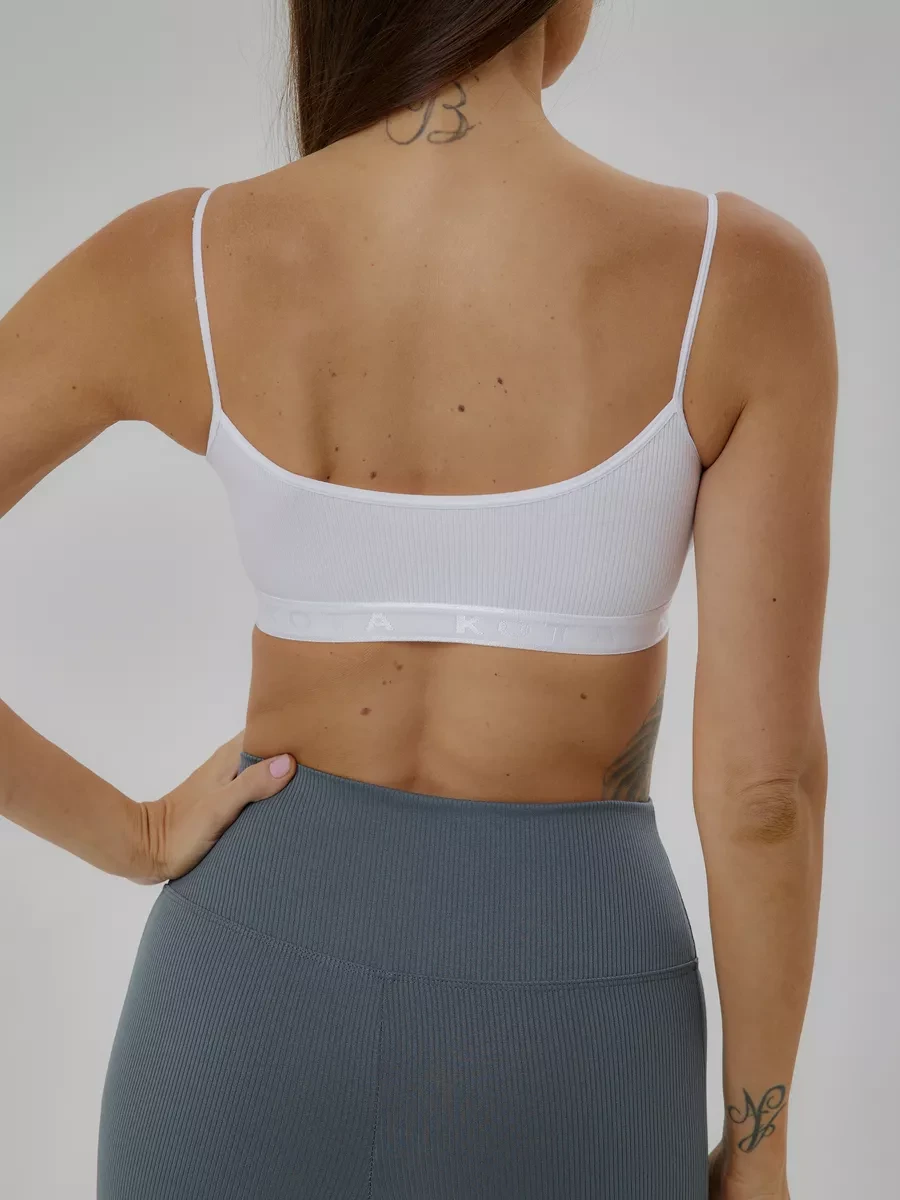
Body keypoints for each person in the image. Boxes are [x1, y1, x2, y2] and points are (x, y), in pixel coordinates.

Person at [0, 1, 836, 1197]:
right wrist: (761, 1153)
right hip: (574, 1010)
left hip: (242, 990)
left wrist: (131, 837)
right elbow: (764, 792)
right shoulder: (736, 278)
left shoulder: (182, 257)